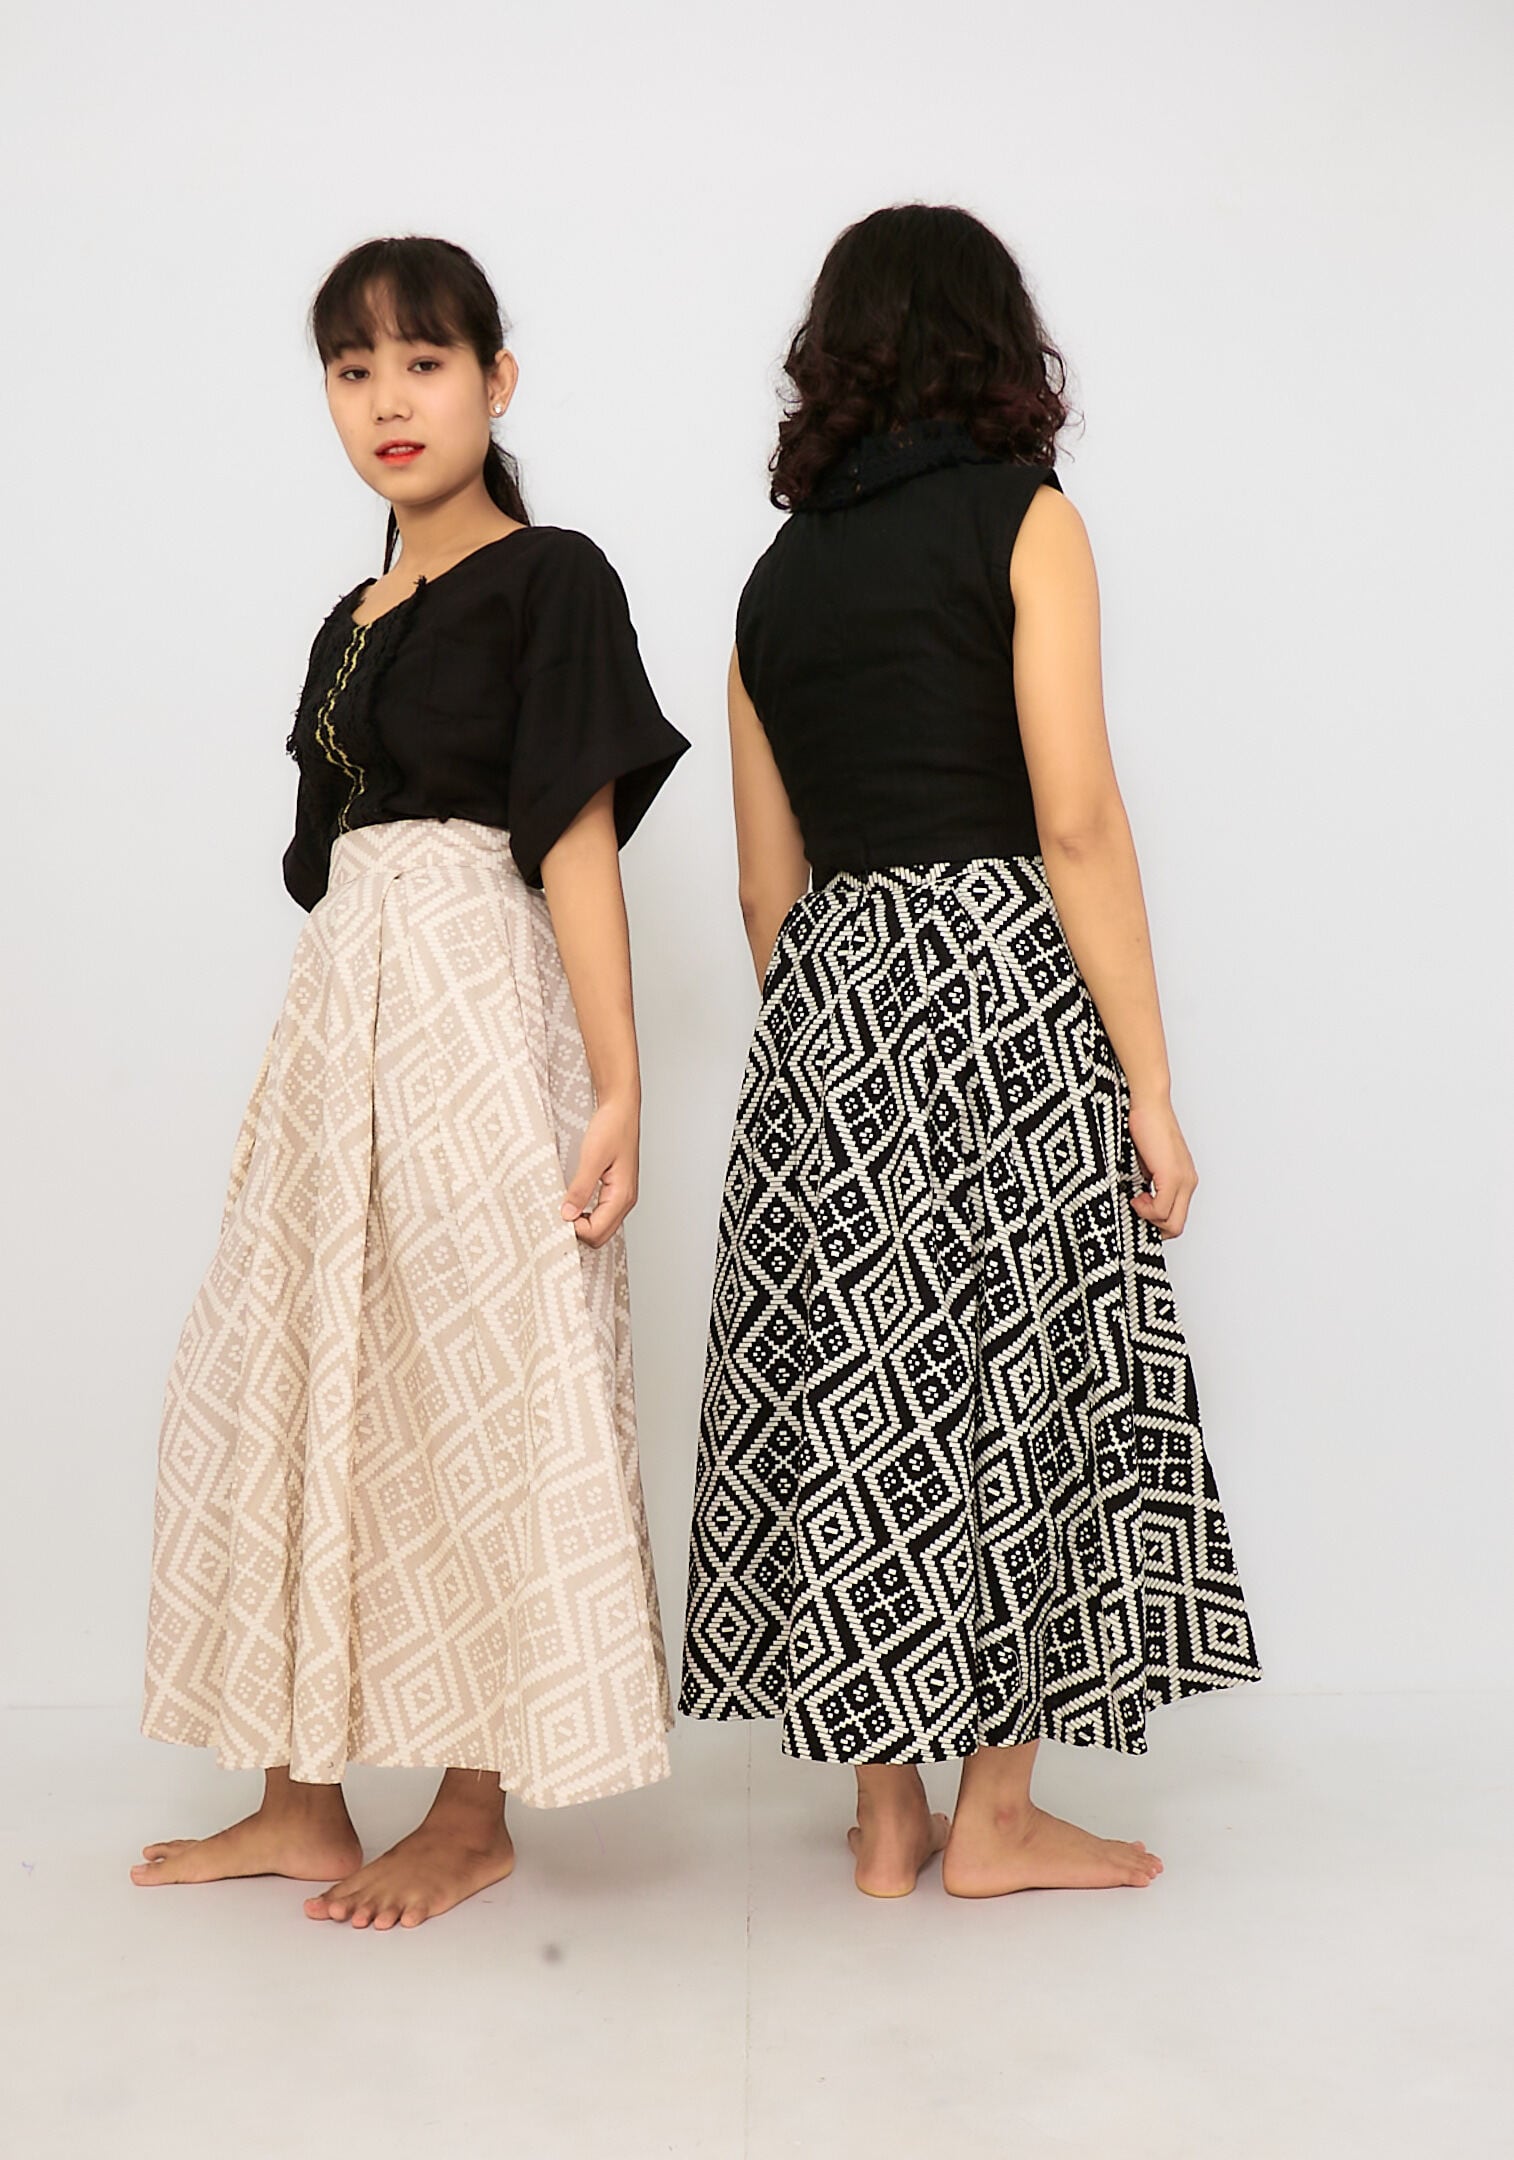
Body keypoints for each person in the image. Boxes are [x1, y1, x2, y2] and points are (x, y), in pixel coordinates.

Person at [680, 203, 1262, 1899]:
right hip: (1002, 982)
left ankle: (884, 1820)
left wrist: (843, 1041)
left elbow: (763, 884)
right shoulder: (1029, 520)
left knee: (861, 1387)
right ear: (998, 346)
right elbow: (1072, 818)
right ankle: (992, 1818)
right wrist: (1148, 1086)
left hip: (831, 1003)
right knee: (1021, 1380)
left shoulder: (771, 583)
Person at [135, 235, 689, 1928]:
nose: (388, 398)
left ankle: (469, 1808)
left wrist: (617, 1084)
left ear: (495, 383)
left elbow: (572, 831)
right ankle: (298, 1799)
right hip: (339, 1023)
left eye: (424, 361)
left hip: (475, 1004)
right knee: (295, 1359)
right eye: (352, 367)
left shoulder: (552, 577)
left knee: (477, 1372)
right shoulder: (349, 620)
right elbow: (325, 862)